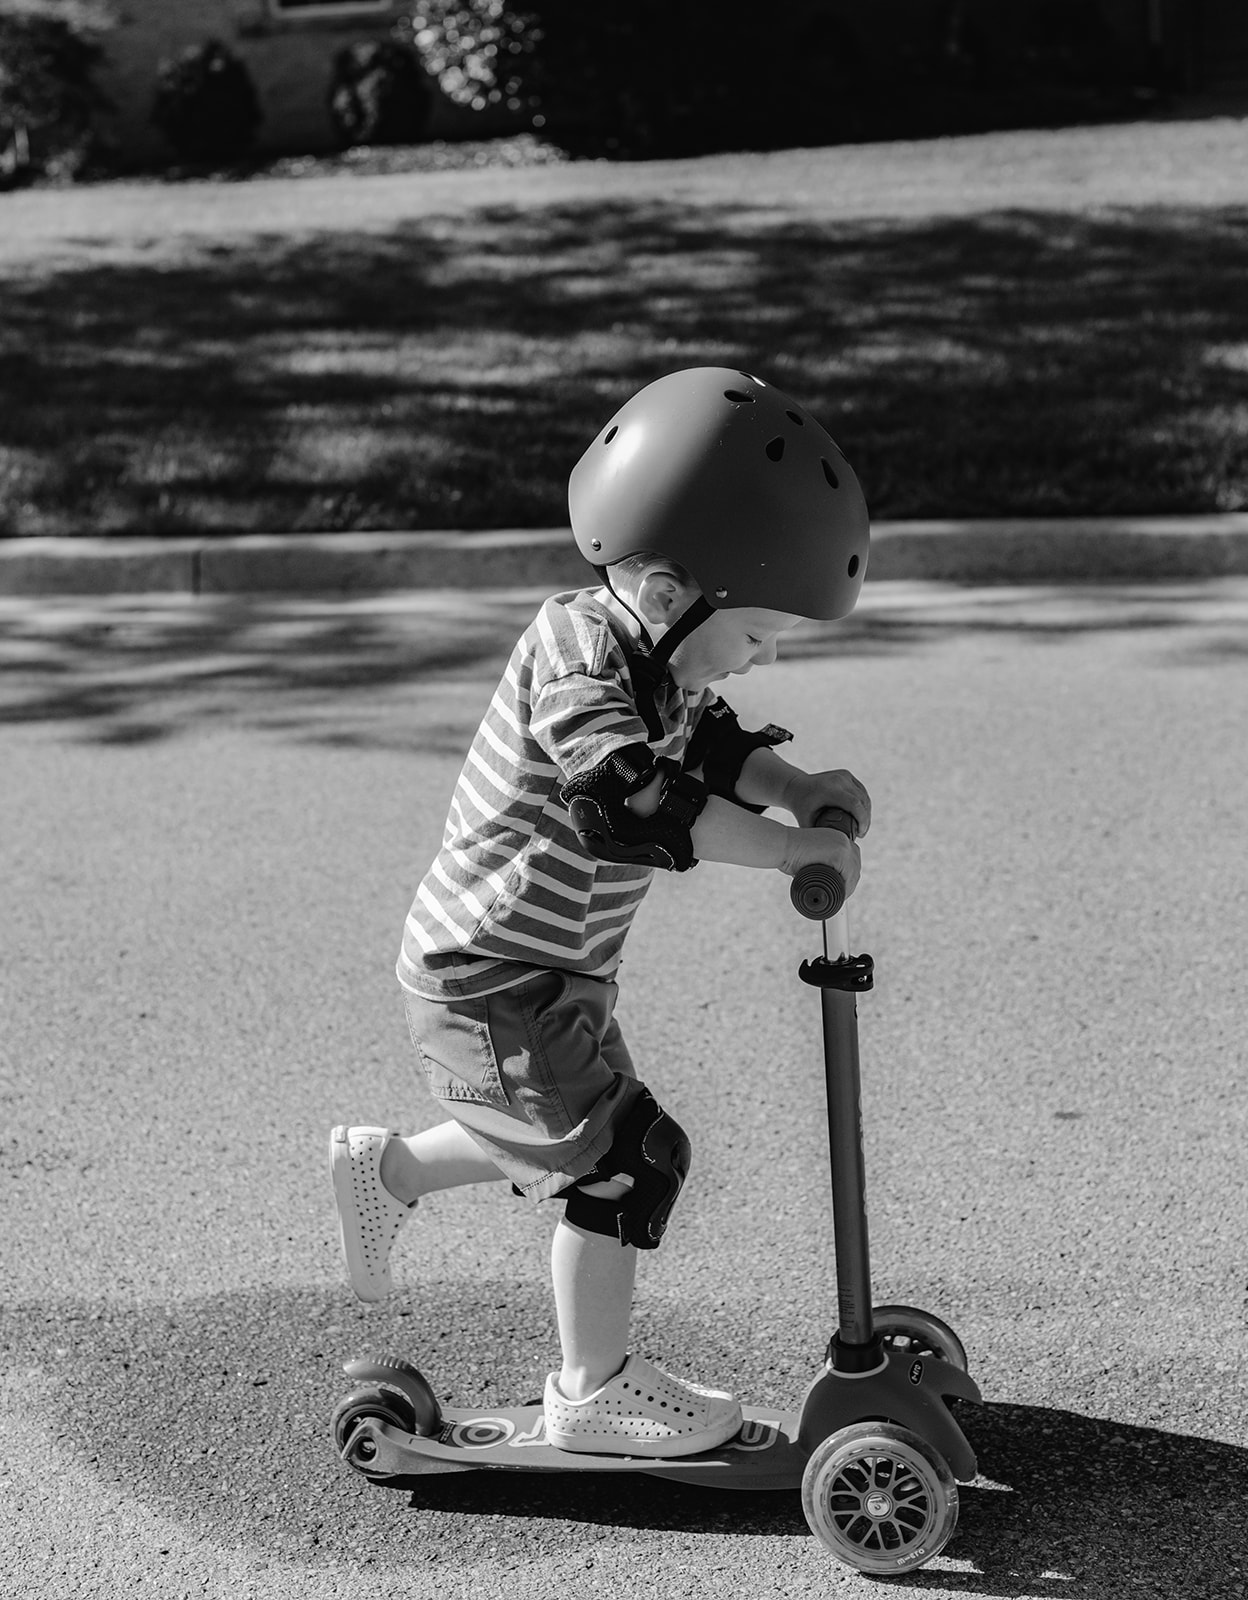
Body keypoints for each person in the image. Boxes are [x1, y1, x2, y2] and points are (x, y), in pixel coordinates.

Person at [330, 366, 872, 1458]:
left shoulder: (648, 650)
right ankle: (593, 1390)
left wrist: (799, 789)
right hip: (490, 973)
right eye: (758, 634)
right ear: (672, 596)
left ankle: (381, 1170)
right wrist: (783, 852)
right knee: (628, 1156)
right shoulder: (581, 669)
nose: (761, 657)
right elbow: (638, 798)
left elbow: (708, 746)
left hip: (545, 968)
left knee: (562, 1131)